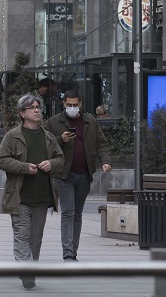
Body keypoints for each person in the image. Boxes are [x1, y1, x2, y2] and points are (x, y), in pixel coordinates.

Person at [0, 94, 64, 290]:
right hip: (20, 197)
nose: (37, 110)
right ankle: (27, 271)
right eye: (32, 107)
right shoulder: (13, 136)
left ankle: (29, 268)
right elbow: (1, 159)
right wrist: (24, 167)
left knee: (36, 239)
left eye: (38, 107)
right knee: (22, 235)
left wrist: (51, 164)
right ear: (22, 113)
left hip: (43, 197)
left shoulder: (48, 137)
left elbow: (61, 160)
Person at [44, 88, 112, 261]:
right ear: (64, 104)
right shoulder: (53, 122)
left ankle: (73, 252)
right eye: (69, 105)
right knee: (68, 212)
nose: (72, 108)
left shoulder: (90, 121)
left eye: (75, 105)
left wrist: (105, 161)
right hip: (63, 175)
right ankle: (68, 254)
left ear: (80, 104)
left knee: (77, 214)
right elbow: (44, 144)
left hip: (84, 174)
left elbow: (102, 144)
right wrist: (61, 139)